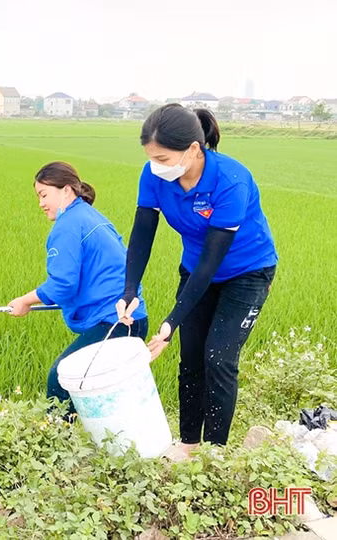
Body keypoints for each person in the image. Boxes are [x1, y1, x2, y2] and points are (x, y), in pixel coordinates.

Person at [117, 104, 277, 456]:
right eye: (151, 158)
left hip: (246, 272)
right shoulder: (155, 175)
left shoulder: (230, 180)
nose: (156, 166)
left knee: (218, 357)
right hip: (195, 270)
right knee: (191, 358)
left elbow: (212, 262)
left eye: (163, 158)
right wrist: (130, 290)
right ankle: (189, 444)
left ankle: (214, 455)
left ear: (193, 149)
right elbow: (143, 233)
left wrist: (172, 320)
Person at [8, 162, 148, 414]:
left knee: (62, 379)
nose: (40, 203)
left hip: (115, 321)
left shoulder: (68, 226)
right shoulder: (89, 216)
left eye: (44, 194)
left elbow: (63, 284)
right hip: (130, 318)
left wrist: (25, 301)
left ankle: (57, 444)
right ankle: (98, 445)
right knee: (108, 393)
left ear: (66, 190)